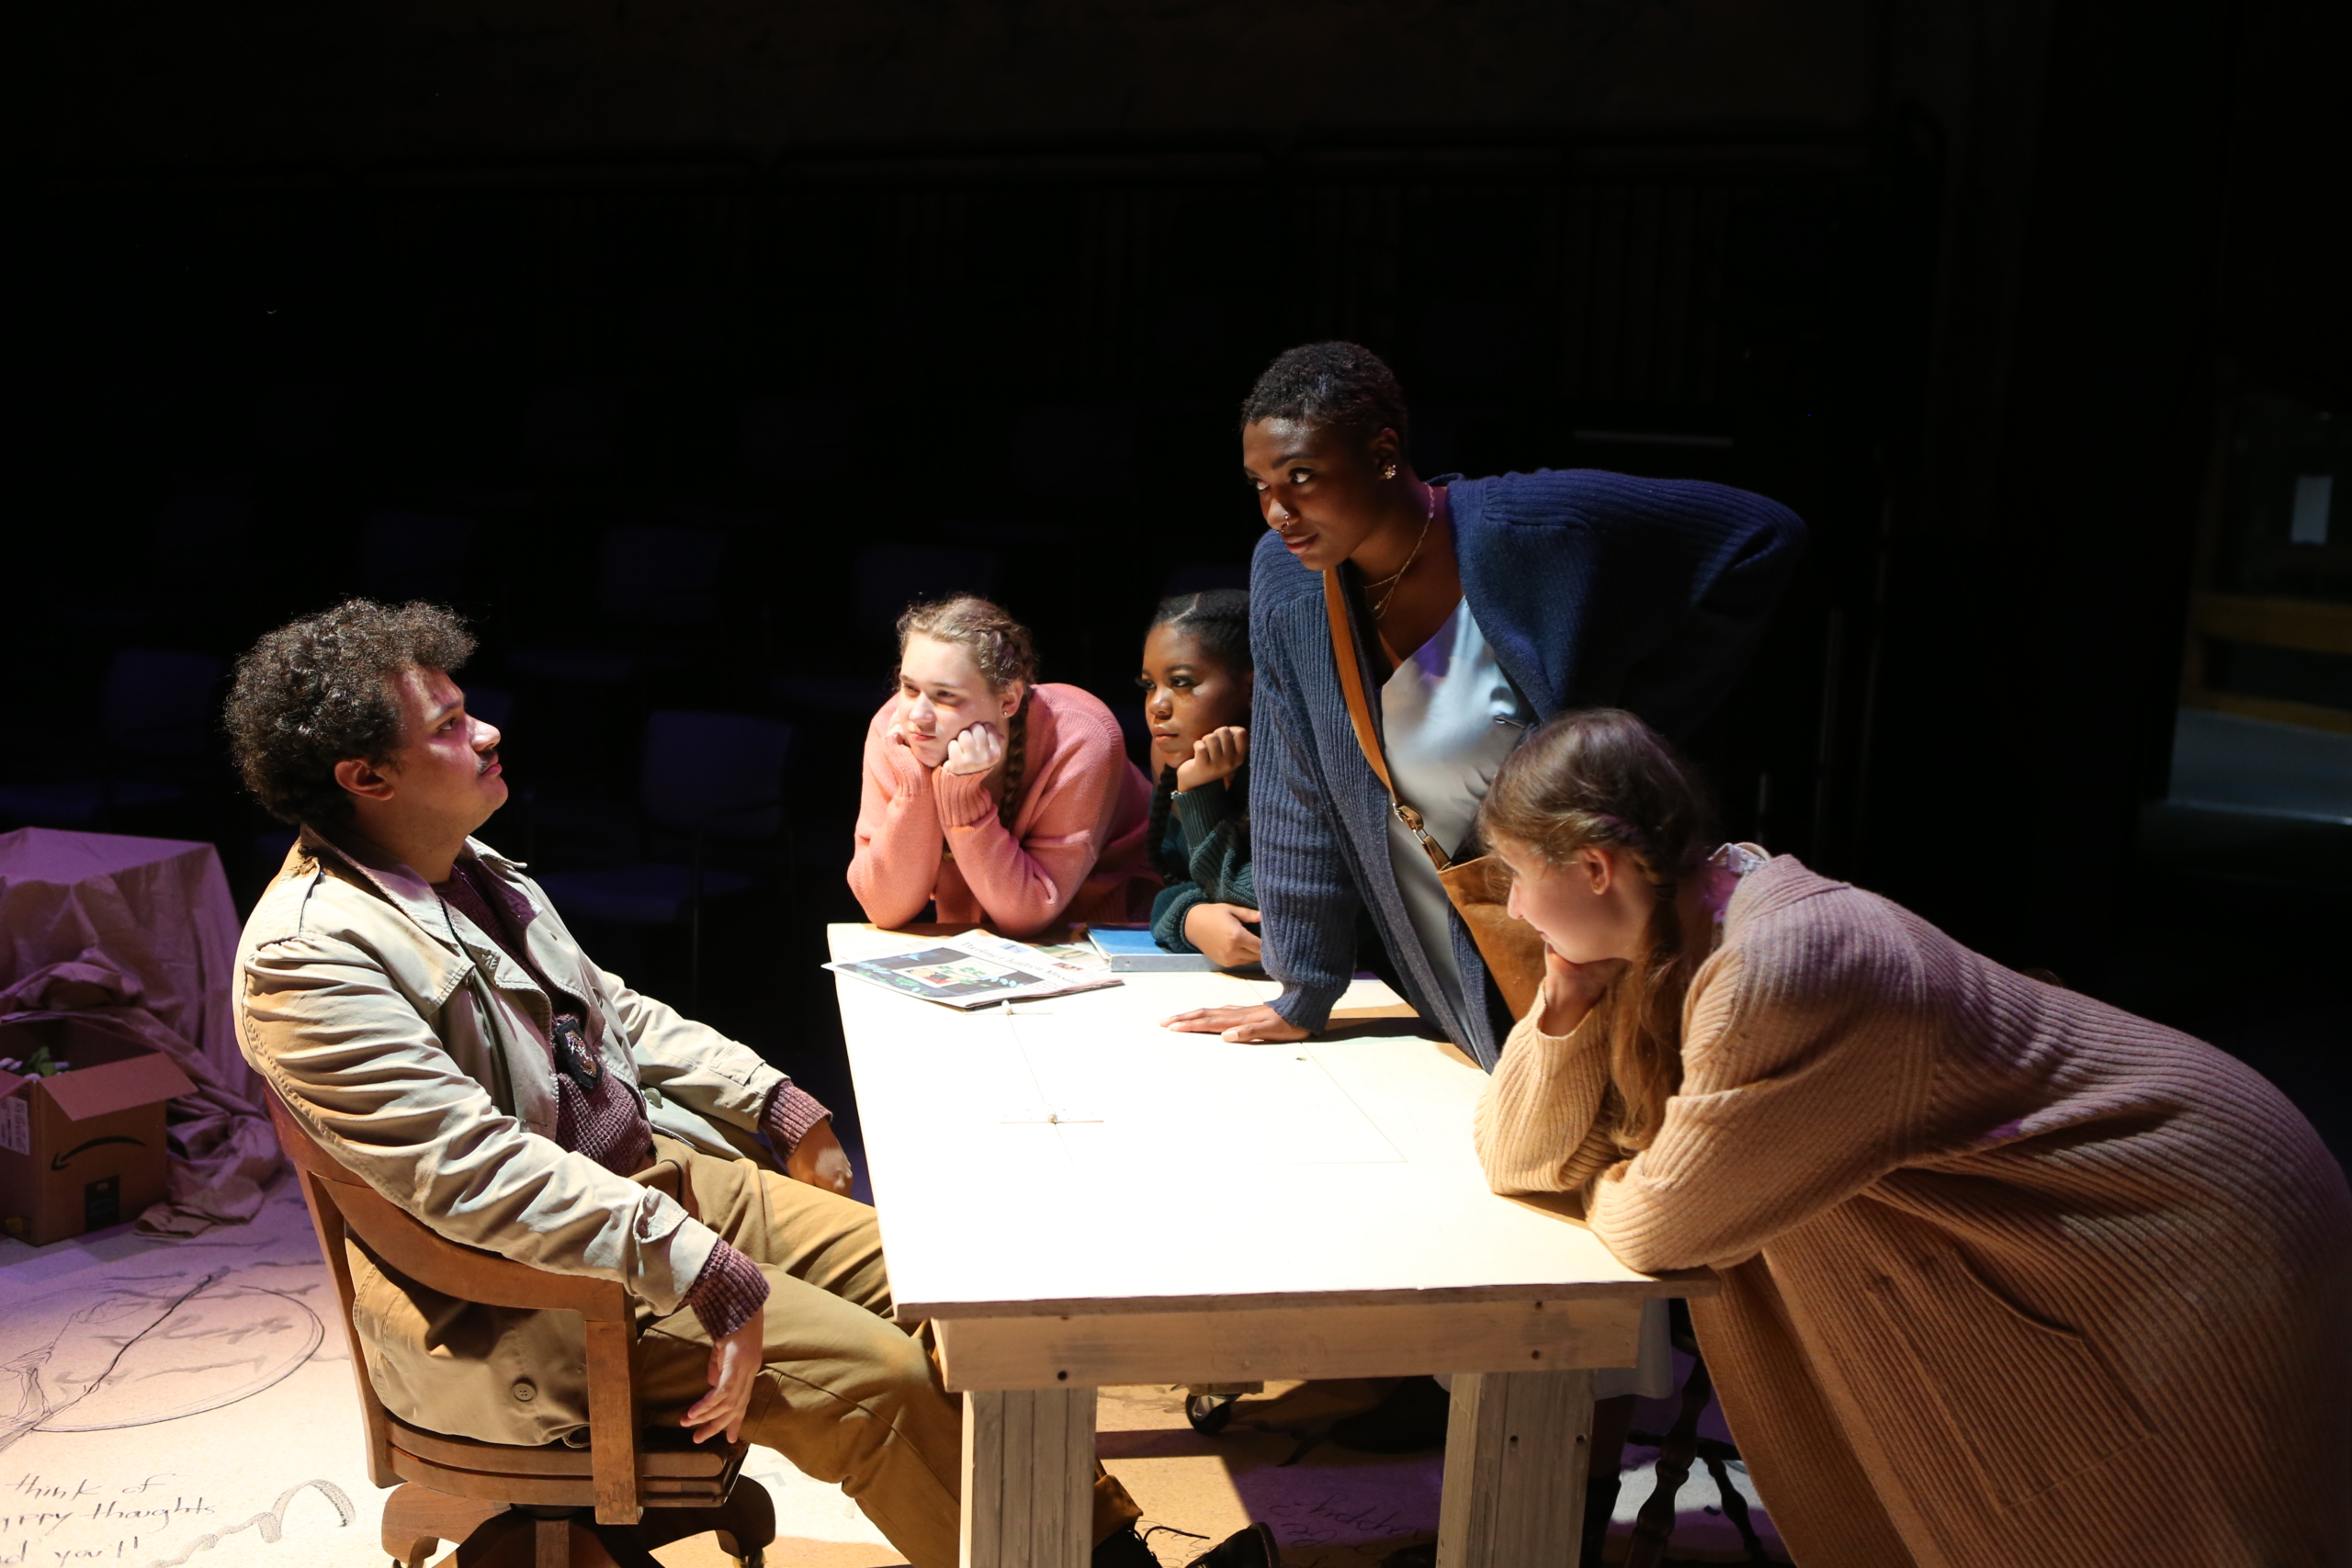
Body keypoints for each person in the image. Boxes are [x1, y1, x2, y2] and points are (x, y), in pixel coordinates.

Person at [226, 599, 1270, 1568]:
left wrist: (779, 1104)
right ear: (368, 778)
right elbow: (480, 1181)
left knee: (969, 1294)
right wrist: (708, 1274)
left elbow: (616, 1015)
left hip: (648, 1187)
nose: (489, 732)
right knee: (885, 1382)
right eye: (451, 725)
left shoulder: (472, 866)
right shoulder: (309, 956)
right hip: (532, 1294)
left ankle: (1104, 1554)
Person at [1474, 708, 2352, 1568]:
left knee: (2167, 1505)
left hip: (2175, 1208)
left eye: (1516, 872)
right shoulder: (1668, 940)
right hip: (2099, 1207)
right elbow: (1517, 1156)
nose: (1512, 904)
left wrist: (1615, 1179)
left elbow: (1660, 1226)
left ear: (1594, 865)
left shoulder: (1780, 965)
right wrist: (1562, 999)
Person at [1160, 341, 1804, 1469]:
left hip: (1595, 916)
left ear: (1386, 451)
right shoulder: (1283, 582)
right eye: (1260, 486)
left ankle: (1566, 1494)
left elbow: (1761, 537)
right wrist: (1304, 985)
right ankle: (1476, 1425)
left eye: (1302, 478)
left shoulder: (1529, 529)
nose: (1278, 511)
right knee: (1505, 1154)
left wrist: (1627, 738)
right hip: (1448, 923)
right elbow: (1301, 779)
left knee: (1591, 1179)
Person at [851, 594, 1158, 939]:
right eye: (910, 688)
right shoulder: (893, 731)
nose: (918, 716)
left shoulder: (1081, 735)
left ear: (1008, 699)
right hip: (987, 941)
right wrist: (914, 781)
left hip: (1116, 927)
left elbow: (1029, 913)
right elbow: (885, 907)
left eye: (945, 696)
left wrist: (962, 794)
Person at [1138, 589, 1259, 965]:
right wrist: (1189, 918)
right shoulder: (1175, 759)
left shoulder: (1294, 769)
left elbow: (1254, 905)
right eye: (1149, 685)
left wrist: (1197, 791)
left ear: (1253, 688)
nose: (1158, 705)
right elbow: (1172, 890)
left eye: (1181, 682)